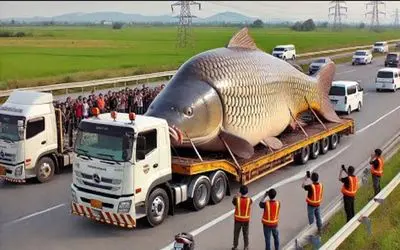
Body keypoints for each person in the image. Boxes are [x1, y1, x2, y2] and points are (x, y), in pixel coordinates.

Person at [232, 185, 252, 250]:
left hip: (237, 220)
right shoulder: (249, 200)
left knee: (236, 234)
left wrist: (236, 196)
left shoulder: (237, 199)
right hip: (246, 220)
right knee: (245, 234)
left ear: (240, 192)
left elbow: (233, 202)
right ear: (247, 192)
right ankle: (246, 247)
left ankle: (235, 247)